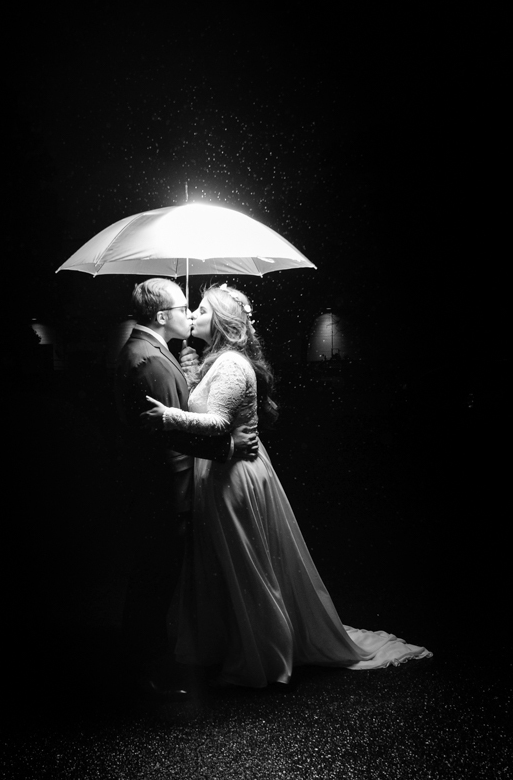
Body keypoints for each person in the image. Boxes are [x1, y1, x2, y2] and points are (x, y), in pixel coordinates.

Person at [142, 283, 431, 688]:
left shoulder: (231, 364)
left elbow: (219, 423)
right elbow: (213, 408)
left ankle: (263, 652)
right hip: (221, 471)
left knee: (246, 568)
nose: (192, 315)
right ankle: (238, 642)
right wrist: (191, 375)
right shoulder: (217, 361)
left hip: (234, 478)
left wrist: (169, 416)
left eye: (202, 311)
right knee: (228, 566)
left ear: (222, 322)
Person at [114, 278, 260, 695]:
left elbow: (180, 413)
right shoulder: (151, 360)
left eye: (198, 309)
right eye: (184, 308)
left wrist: (190, 375)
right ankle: (145, 670)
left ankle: (146, 661)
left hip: (165, 487)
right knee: (155, 580)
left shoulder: (154, 353)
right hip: (164, 489)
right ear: (163, 317)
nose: (190, 313)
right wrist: (229, 445)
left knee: (156, 578)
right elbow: (169, 435)